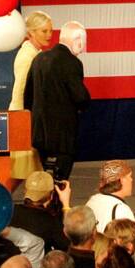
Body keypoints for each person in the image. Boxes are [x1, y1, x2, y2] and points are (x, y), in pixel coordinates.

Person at [27, 21, 90, 182]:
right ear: (78, 40)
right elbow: (80, 96)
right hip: (62, 136)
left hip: (39, 134)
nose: (83, 47)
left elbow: (27, 95)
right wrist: (83, 106)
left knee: (46, 182)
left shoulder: (39, 59)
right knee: (60, 182)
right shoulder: (72, 62)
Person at [8, 10, 55, 179]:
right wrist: (25, 120)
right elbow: (21, 91)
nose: (49, 35)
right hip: (24, 119)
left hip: (29, 119)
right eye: (44, 31)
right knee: (23, 171)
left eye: (51, 30)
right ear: (31, 33)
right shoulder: (27, 56)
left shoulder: (36, 54)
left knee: (30, 172)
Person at [86, 161, 134, 229]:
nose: (131, 180)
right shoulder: (120, 210)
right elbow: (131, 239)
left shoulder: (92, 201)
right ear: (121, 180)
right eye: (129, 176)